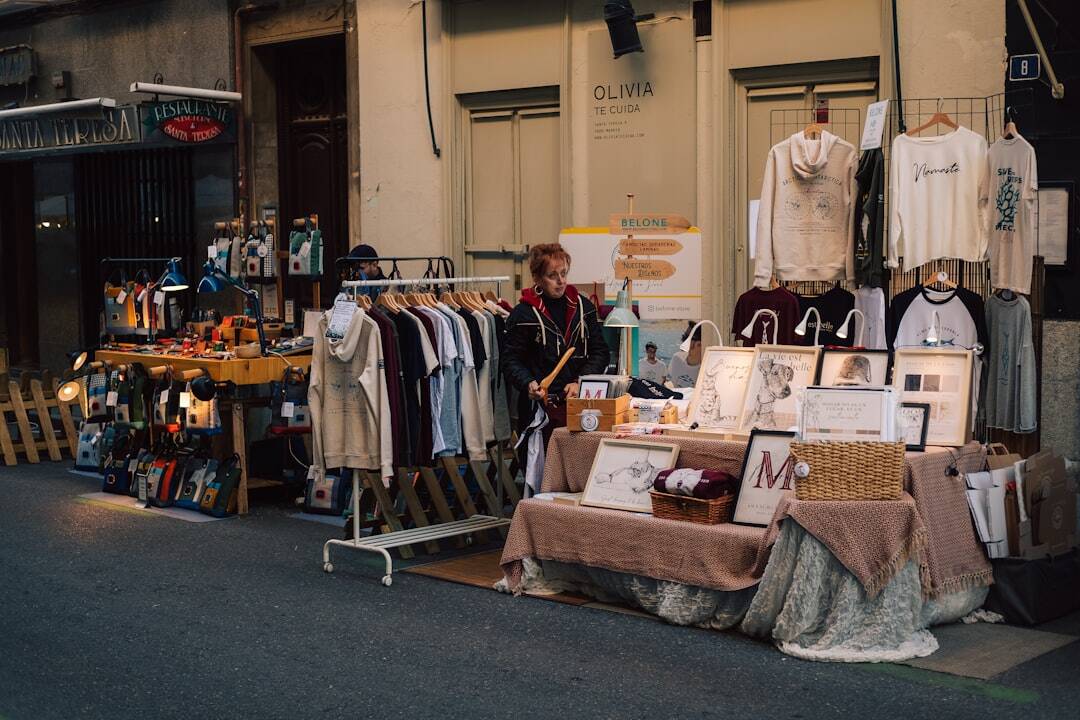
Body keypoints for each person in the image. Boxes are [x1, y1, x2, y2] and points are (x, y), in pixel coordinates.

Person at [504, 243, 610, 438]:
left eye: (564, 273)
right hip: (538, 410)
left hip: (579, 406)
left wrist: (581, 381)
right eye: (552, 276)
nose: (561, 281)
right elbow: (511, 360)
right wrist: (528, 383)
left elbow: (600, 351)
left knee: (576, 465)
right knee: (540, 467)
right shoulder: (523, 315)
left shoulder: (583, 308)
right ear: (537, 278)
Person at [667, 322, 702, 388]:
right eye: (684, 337)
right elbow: (670, 383)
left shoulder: (705, 369)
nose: (683, 340)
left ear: (699, 344)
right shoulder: (676, 359)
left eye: (687, 338)